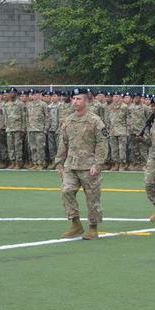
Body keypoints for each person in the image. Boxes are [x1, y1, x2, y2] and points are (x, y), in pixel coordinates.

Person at [54, 88, 108, 240]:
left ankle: (93, 227)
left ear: (86, 101)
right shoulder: (68, 120)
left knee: (92, 198)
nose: (75, 102)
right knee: (66, 191)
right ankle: (76, 223)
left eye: (79, 99)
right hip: (71, 165)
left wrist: (97, 164)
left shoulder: (95, 121)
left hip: (89, 166)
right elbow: (63, 143)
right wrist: (59, 163)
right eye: (74, 99)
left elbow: (102, 144)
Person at [3, 88, 27, 169]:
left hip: (18, 129)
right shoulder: (6, 104)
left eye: (13, 92)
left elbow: (24, 117)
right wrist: (6, 127)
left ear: (16, 94)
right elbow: (5, 117)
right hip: (9, 129)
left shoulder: (21, 104)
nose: (12, 94)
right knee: (10, 147)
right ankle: (12, 162)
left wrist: (23, 129)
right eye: (10, 92)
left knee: (18, 147)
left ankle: (18, 163)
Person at [107, 92, 129, 171]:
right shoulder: (110, 107)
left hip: (122, 130)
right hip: (112, 131)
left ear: (120, 97)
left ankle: (122, 164)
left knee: (122, 149)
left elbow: (128, 119)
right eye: (114, 96)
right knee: (114, 149)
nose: (115, 98)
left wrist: (128, 130)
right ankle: (115, 164)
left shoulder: (125, 107)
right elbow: (108, 119)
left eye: (117, 96)